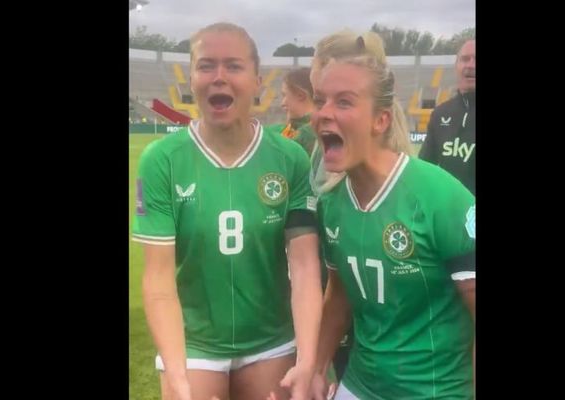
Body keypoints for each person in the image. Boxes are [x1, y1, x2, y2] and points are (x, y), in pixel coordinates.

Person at [132, 22, 322, 400]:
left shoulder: (290, 159)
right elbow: (158, 278)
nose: (219, 77)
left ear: (257, 81)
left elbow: (303, 267)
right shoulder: (161, 161)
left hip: (271, 339)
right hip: (194, 344)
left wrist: (308, 361)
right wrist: (177, 374)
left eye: (233, 66)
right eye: (206, 66)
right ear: (191, 78)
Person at [308, 32, 476, 399]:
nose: (323, 113)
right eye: (320, 101)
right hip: (360, 384)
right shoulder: (332, 202)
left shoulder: (442, 198)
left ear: (381, 120)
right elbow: (339, 294)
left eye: (344, 102)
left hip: (435, 391)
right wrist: (316, 370)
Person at [419, 39, 475, 194]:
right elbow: (424, 168)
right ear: (457, 66)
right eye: (465, 59)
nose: (470, 65)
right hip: (447, 213)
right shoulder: (440, 114)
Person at [279, 67, 316, 156]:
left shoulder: (307, 133)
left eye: (285, 95)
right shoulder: (292, 128)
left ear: (300, 95)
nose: (282, 103)